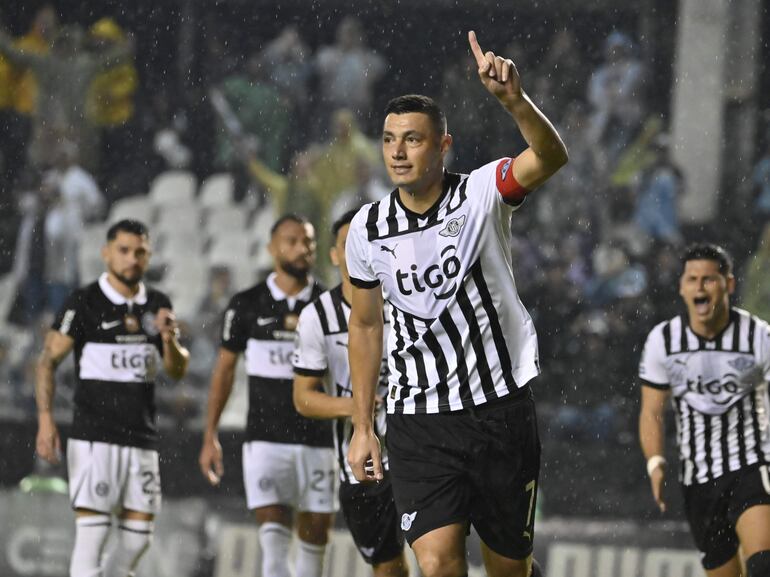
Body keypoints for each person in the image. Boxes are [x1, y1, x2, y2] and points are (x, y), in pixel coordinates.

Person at [345, 31, 568, 577]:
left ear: (443, 146)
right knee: (439, 563)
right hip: (419, 420)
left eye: (413, 140)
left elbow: (550, 156)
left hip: (499, 411)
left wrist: (514, 101)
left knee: (508, 569)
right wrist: (361, 426)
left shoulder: (482, 193)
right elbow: (367, 326)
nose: (397, 151)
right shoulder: (366, 229)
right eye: (389, 139)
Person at [34, 218, 190, 577]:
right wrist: (45, 420)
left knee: (138, 540)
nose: (132, 259)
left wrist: (170, 341)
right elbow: (47, 362)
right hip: (94, 437)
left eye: (140, 252)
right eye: (123, 251)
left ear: (149, 256)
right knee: (93, 538)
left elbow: (177, 369)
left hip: (142, 438)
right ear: (106, 254)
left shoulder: (158, 303)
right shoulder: (84, 302)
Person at [198, 214, 336, 577]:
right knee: (273, 546)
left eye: (307, 241)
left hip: (320, 441)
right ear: (271, 248)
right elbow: (224, 371)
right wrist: (210, 433)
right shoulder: (246, 304)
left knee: (313, 549)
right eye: (291, 241)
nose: (301, 248)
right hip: (265, 439)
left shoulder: (330, 304)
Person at [638, 243, 770, 577]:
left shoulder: (759, 337)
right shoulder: (663, 341)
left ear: (729, 284)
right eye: (692, 279)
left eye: (709, 279)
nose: (700, 287)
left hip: (751, 464)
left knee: (764, 564)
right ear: (682, 287)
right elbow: (652, 411)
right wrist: (655, 462)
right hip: (698, 478)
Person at [293, 209, 408, 577]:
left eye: (369, 243)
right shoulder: (318, 317)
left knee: (440, 558)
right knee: (389, 570)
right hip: (363, 467)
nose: (361, 251)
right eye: (349, 244)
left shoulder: (408, 302)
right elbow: (304, 398)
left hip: (421, 450)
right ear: (334, 254)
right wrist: (357, 406)